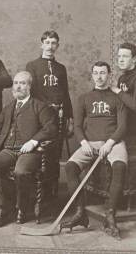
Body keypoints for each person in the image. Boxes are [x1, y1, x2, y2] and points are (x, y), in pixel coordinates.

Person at [0, 71, 57, 227]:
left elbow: (50, 128)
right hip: (9, 149)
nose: (18, 86)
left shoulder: (39, 106)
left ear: (29, 86)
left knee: (20, 171)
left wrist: (34, 141)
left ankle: (21, 208)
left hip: (29, 151)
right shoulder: (10, 106)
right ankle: (1, 207)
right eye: (16, 83)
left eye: (22, 83)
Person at [60, 61, 127, 240]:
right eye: (96, 73)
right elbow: (78, 126)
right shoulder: (84, 98)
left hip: (114, 143)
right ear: (92, 75)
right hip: (90, 143)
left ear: (109, 75)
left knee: (120, 167)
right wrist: (83, 143)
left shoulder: (118, 98)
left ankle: (110, 216)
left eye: (103, 73)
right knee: (70, 167)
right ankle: (80, 212)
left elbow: (123, 127)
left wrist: (110, 143)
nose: (99, 76)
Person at [26, 30, 74, 157]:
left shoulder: (61, 68)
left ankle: (53, 177)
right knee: (39, 150)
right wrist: (48, 105)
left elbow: (65, 94)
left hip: (59, 115)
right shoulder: (32, 66)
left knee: (56, 150)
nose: (50, 46)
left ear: (57, 45)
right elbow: (32, 92)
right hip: (40, 114)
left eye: (53, 43)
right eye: (47, 42)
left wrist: (70, 120)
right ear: (41, 44)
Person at [110, 42, 136, 145]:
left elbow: (135, 104)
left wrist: (117, 91)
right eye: (119, 56)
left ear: (134, 59)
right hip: (125, 126)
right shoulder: (122, 78)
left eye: (125, 56)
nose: (120, 59)